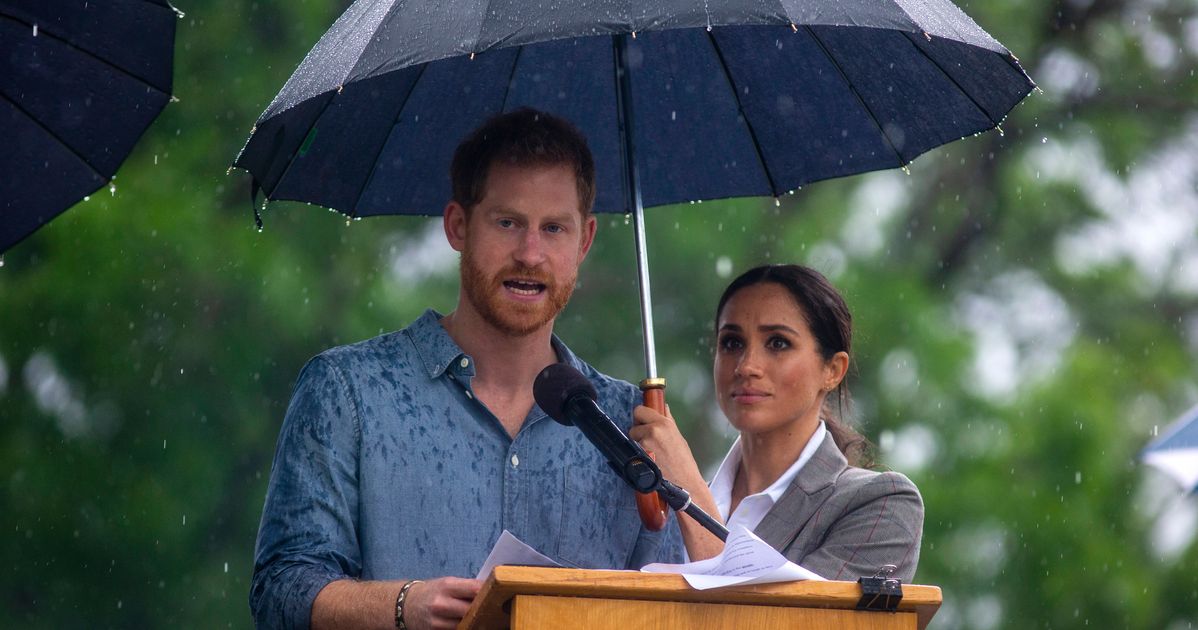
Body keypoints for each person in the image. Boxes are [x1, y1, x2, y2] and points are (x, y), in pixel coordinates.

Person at [250, 108, 682, 630]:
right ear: (458, 226)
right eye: (507, 223)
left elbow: (675, 609)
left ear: (584, 241)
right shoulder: (347, 390)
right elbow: (281, 591)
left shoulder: (628, 425)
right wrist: (402, 605)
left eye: (553, 228)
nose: (530, 253)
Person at [630, 264, 923, 582]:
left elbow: (779, 620)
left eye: (778, 343)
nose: (746, 366)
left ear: (833, 370)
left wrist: (689, 494)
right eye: (732, 343)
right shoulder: (655, 502)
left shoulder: (880, 505)